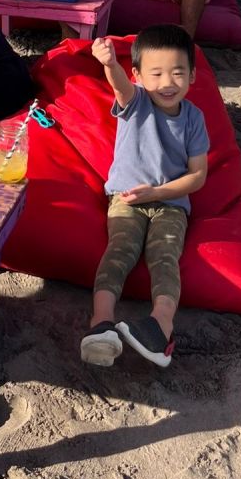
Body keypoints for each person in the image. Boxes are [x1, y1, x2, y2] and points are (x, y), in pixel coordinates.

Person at [81, 25, 209, 368]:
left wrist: (157, 192)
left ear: (192, 75)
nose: (167, 82)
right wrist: (110, 63)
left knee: (165, 256)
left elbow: (197, 176)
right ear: (138, 75)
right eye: (156, 73)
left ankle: (160, 326)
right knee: (120, 249)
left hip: (171, 205)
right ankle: (101, 323)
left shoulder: (194, 118)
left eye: (178, 72)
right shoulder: (136, 101)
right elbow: (119, 85)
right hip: (126, 200)